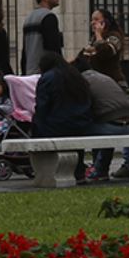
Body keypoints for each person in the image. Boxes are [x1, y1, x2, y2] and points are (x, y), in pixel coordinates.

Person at [31, 50, 95, 179]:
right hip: (82, 124)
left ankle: (47, 171)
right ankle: (79, 171)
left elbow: (42, 107)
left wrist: (36, 125)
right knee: (75, 137)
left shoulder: (47, 78)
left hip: (58, 125)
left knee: (40, 129)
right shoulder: (75, 75)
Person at [83, 42, 129, 180]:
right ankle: (106, 168)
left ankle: (94, 169)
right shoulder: (107, 78)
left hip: (111, 126)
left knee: (83, 128)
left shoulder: (83, 80)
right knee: (108, 126)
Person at [20, 0, 64, 75]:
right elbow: (53, 48)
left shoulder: (28, 18)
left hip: (29, 72)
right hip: (44, 72)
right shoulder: (48, 17)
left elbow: (25, 50)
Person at [79, 7, 126, 72]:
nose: (92, 22)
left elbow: (105, 52)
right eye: (92, 20)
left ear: (105, 22)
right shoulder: (94, 39)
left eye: (96, 19)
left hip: (111, 78)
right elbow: (83, 56)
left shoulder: (114, 36)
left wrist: (98, 33)